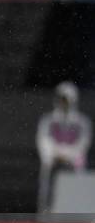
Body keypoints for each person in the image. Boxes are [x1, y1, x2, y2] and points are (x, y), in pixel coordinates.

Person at [36, 81, 92, 212]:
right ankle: (46, 212)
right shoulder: (48, 120)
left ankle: (75, 213)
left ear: (73, 100)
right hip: (54, 161)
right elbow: (43, 142)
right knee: (49, 184)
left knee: (76, 187)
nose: (64, 103)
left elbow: (82, 145)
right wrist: (55, 155)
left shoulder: (82, 122)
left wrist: (66, 155)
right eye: (62, 99)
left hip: (74, 163)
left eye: (67, 100)